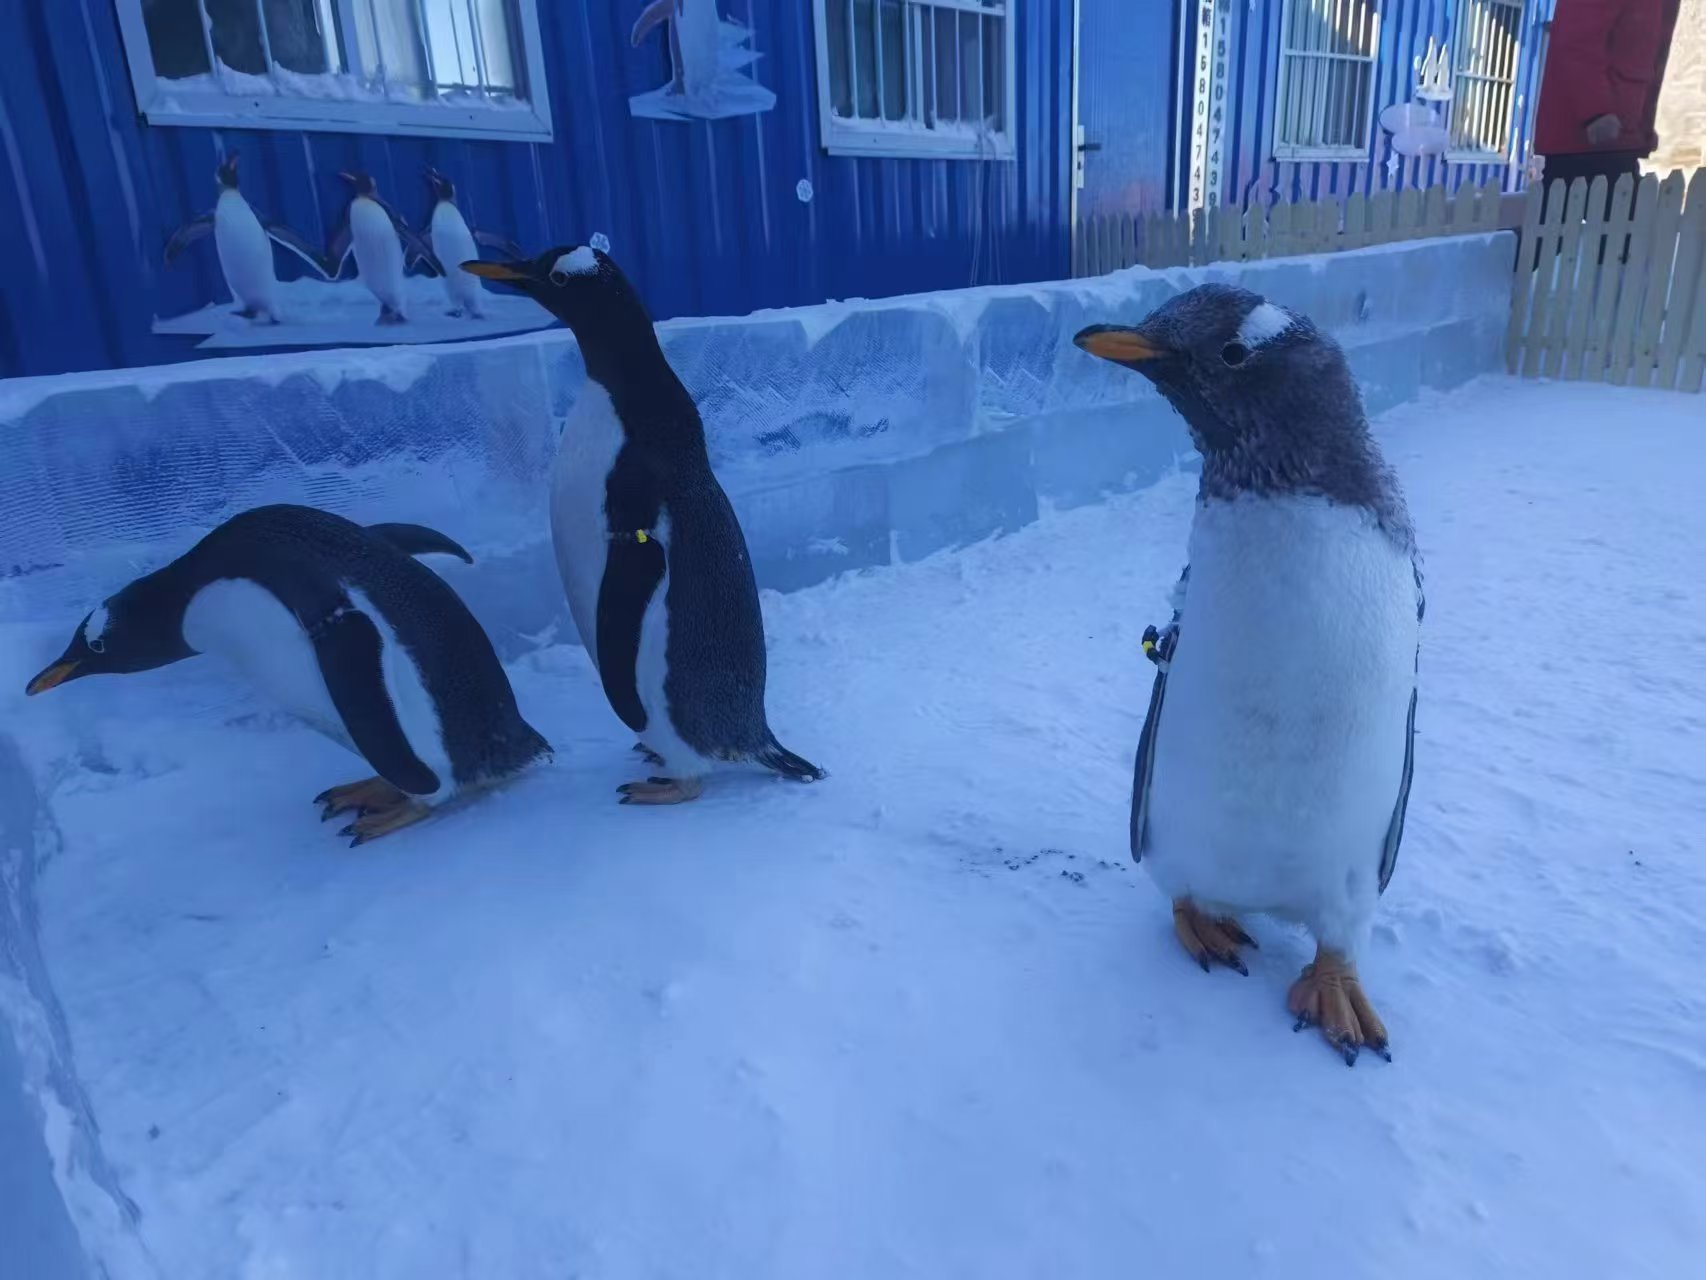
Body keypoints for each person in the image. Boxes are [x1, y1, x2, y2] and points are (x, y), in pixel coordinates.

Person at [1534, 0, 1683, 199]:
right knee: (1561, 216)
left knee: (1629, 221)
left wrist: (1643, 126)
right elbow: (1577, 40)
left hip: (1620, 138)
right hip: (1584, 137)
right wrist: (1596, 112)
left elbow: (1650, 62)